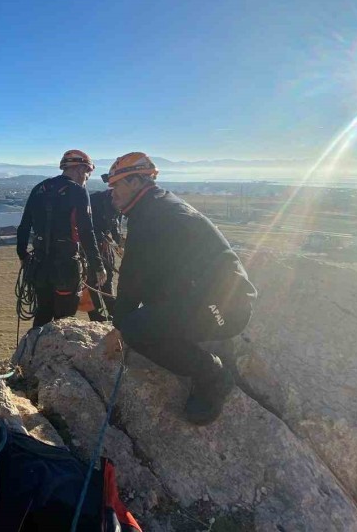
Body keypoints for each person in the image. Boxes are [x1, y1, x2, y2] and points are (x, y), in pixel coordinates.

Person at [98, 153, 257, 426]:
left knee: (137, 329)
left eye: (117, 185)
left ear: (136, 182)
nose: (112, 192)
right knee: (143, 318)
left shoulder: (154, 215)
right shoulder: (155, 207)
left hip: (225, 308)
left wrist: (121, 326)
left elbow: (132, 276)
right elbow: (144, 274)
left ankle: (213, 375)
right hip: (209, 297)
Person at [16, 150, 107, 326]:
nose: (86, 178)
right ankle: (56, 351)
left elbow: (24, 226)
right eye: (87, 173)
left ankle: (35, 350)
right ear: (81, 169)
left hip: (39, 265)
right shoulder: (78, 191)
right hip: (66, 266)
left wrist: (23, 256)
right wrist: (98, 266)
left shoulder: (40, 188)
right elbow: (86, 231)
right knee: (64, 319)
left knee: (43, 313)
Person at [85, 189, 123, 322]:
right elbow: (87, 229)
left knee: (107, 280)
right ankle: (97, 316)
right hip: (89, 249)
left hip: (104, 248)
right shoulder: (95, 201)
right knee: (92, 281)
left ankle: (113, 312)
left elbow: (115, 225)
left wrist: (119, 244)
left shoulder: (119, 203)